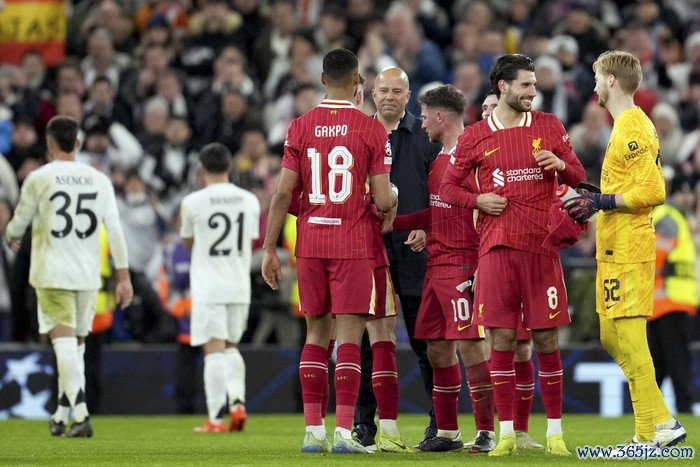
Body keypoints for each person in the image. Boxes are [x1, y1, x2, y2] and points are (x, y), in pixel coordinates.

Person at [441, 54, 586, 457]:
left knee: (545, 339)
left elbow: (578, 174)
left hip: (541, 249)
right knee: (501, 340)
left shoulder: (549, 126)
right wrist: (477, 199)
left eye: (534, 85)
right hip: (496, 251)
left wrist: (560, 163)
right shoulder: (474, 136)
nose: (533, 92)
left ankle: (555, 433)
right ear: (503, 87)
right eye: (526, 85)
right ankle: (506, 434)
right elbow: (449, 189)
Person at [261, 48, 396, 454]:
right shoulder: (371, 130)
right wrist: (386, 200)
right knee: (350, 337)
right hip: (352, 243)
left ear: (323, 79)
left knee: (316, 334)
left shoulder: (299, 126)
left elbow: (284, 191)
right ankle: (343, 433)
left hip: (311, 242)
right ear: (358, 80)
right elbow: (384, 199)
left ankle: (312, 432)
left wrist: (270, 248)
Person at [565, 50, 687, 447]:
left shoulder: (632, 125)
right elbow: (631, 187)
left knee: (630, 338)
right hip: (615, 246)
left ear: (612, 81)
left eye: (599, 78)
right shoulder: (624, 126)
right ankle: (659, 424)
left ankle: (651, 430)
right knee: (610, 336)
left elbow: (653, 190)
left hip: (631, 247)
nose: (595, 86)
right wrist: (598, 196)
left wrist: (602, 203)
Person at [382, 84, 496, 453]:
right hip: (436, 264)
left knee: (472, 347)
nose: (422, 123)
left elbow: (484, 213)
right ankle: (447, 432)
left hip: (463, 264)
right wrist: (396, 223)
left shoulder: (473, 158)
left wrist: (481, 264)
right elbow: (439, 210)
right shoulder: (439, 160)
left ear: (441, 117)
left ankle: (486, 431)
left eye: (426, 116)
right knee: (436, 349)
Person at [4, 115, 133, 437]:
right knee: (75, 346)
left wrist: (11, 234)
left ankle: (81, 413)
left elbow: (19, 221)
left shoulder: (39, 177)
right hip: (87, 274)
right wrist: (123, 275)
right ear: (77, 143)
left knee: (62, 343)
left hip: (51, 271)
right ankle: (61, 415)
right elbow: (115, 230)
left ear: (49, 144)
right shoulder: (99, 179)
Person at [355, 66, 440, 448]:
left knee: (426, 343)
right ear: (373, 93)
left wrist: (431, 227)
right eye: (383, 90)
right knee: (366, 345)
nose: (389, 96)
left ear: (409, 97)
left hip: (415, 252)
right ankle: (364, 425)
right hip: (368, 252)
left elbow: (444, 189)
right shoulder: (356, 133)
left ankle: (441, 423)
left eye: (397, 91)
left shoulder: (425, 136)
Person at [180, 143, 261, 433]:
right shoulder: (249, 200)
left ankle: (215, 418)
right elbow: (250, 239)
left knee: (213, 350)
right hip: (238, 284)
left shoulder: (193, 202)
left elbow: (188, 243)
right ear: (230, 167)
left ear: (202, 170)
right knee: (231, 347)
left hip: (208, 286)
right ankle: (237, 403)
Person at [481, 91, 545, 451]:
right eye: (486, 109)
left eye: (494, 107)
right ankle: (491, 430)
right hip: (486, 259)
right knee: (490, 348)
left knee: (521, 349)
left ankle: (519, 432)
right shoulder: (475, 154)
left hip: (521, 255)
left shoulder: (527, 153)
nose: (491, 113)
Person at [649, 188, 698, 414]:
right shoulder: (664, 215)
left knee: (674, 361)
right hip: (663, 300)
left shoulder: (665, 216)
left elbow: (658, 251)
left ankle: (684, 408)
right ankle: (650, 413)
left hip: (671, 299)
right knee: (659, 362)